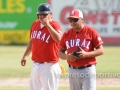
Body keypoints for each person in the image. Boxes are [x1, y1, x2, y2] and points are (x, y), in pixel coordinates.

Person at [58, 9, 104, 90]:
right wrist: (67, 56)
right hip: (72, 70)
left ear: (82, 20)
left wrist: (86, 54)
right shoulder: (66, 34)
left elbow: (101, 50)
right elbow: (60, 52)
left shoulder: (91, 31)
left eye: (75, 20)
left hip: (87, 70)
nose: (72, 22)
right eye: (70, 20)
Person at [21, 3, 62, 90]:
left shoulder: (55, 25)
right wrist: (25, 55)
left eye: (45, 14)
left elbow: (59, 40)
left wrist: (48, 25)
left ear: (50, 14)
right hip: (36, 65)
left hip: (49, 66)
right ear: (37, 15)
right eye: (40, 14)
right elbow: (32, 41)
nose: (42, 16)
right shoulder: (35, 24)